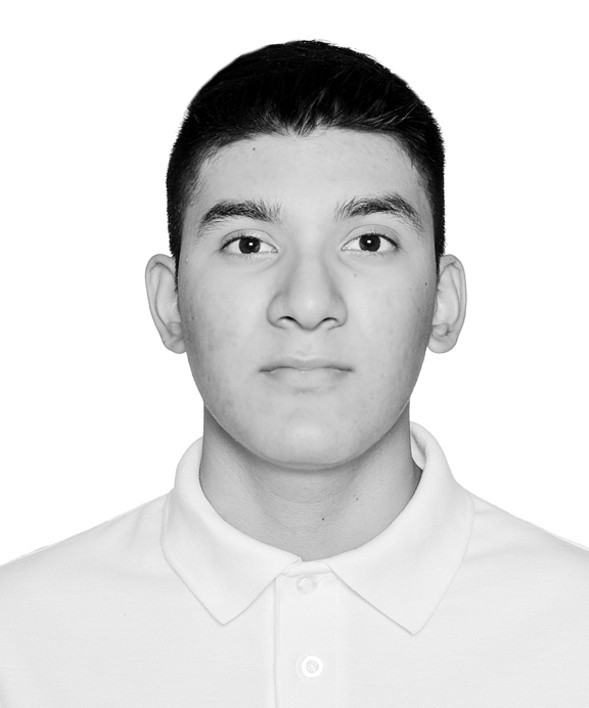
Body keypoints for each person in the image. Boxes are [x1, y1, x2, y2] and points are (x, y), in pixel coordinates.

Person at [0, 39, 587, 707]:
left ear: (443, 303)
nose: (307, 303)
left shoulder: (576, 634)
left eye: (369, 241)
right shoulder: (18, 642)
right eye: (249, 244)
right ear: (170, 303)